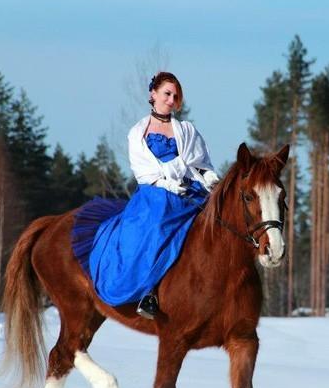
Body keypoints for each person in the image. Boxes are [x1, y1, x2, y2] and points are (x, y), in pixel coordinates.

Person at [71, 72, 220, 319]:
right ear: (153, 95)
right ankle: (149, 292)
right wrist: (170, 186)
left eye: (175, 96)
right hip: (157, 192)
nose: (171, 100)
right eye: (167, 94)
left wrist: (212, 182)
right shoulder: (137, 133)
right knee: (156, 224)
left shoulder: (186, 130)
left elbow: (202, 164)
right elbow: (144, 173)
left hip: (189, 189)